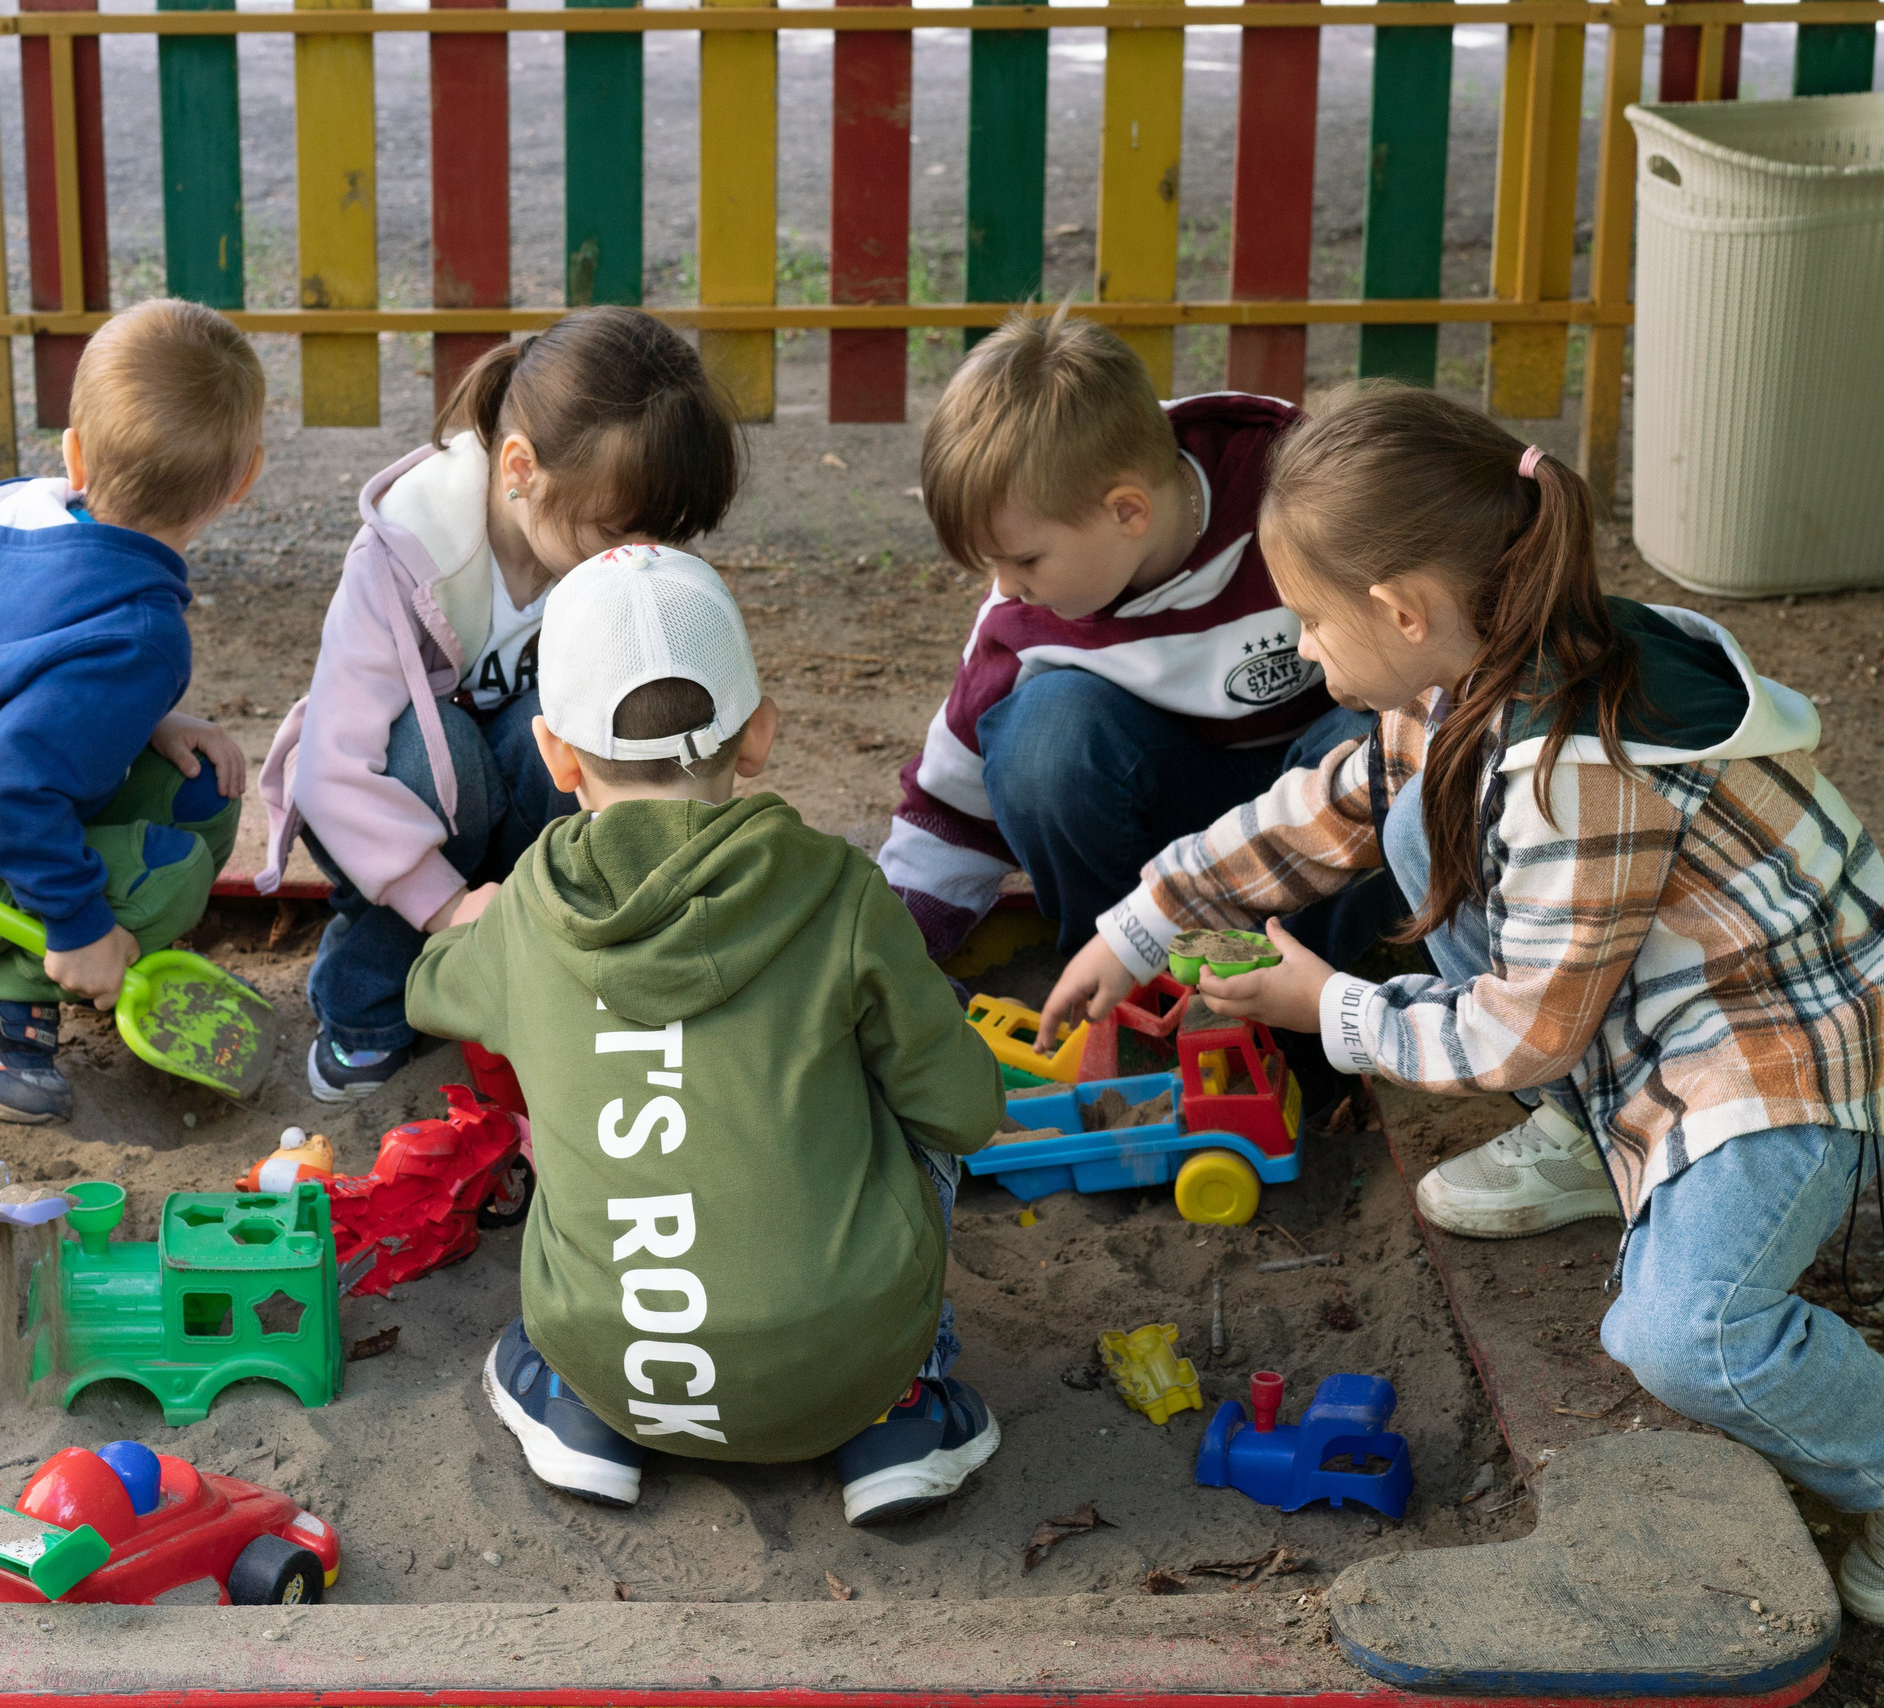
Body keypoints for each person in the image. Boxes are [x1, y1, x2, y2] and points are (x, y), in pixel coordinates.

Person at [1036, 387, 1884, 1622]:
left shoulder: (1574, 772)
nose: (1306, 652)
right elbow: (1322, 811)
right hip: (1647, 1001)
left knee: (1683, 1335)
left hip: (1776, 1055)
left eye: (1310, 623)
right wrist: (1147, 917)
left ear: (1401, 610)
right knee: (1403, 819)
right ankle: (1598, 1142)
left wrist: (1328, 1005)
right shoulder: (1470, 670)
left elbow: (1514, 1030)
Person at [407, 546, 1006, 1526]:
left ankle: (581, 1412)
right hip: (839, 1359)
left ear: (556, 754)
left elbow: (430, 993)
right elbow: (969, 1112)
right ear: (759, 734)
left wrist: (481, 935)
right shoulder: (839, 894)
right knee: (913, 1096)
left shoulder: (530, 912)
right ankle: (898, 1411)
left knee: (564, 1110)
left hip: (616, 1359)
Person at [257, 306, 744, 1104]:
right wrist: (444, 903)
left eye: (661, 541)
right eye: (618, 531)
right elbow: (333, 772)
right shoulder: (406, 552)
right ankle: (364, 1013)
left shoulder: (588, 553)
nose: (634, 561)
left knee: (569, 729)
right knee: (425, 744)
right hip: (394, 822)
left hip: (506, 804)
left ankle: (524, 991)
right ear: (519, 470)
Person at [876, 305, 1399, 974]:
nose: (1005, 587)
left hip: (1323, 795)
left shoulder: (1301, 492)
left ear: (1128, 511)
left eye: (1026, 561)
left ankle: (1296, 982)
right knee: (1041, 740)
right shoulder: (1021, 619)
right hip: (1167, 819)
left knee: (1394, 743)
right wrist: (892, 953)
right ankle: (1136, 979)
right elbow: (952, 801)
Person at [0, 299, 265, 1124]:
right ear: (244, 480)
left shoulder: (7, 511)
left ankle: (85, 943)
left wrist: (145, 717)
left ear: (73, 452)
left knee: (203, 789)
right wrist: (78, 922)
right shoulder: (145, 633)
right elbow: (3, 786)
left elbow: (19, 650)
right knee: (175, 874)